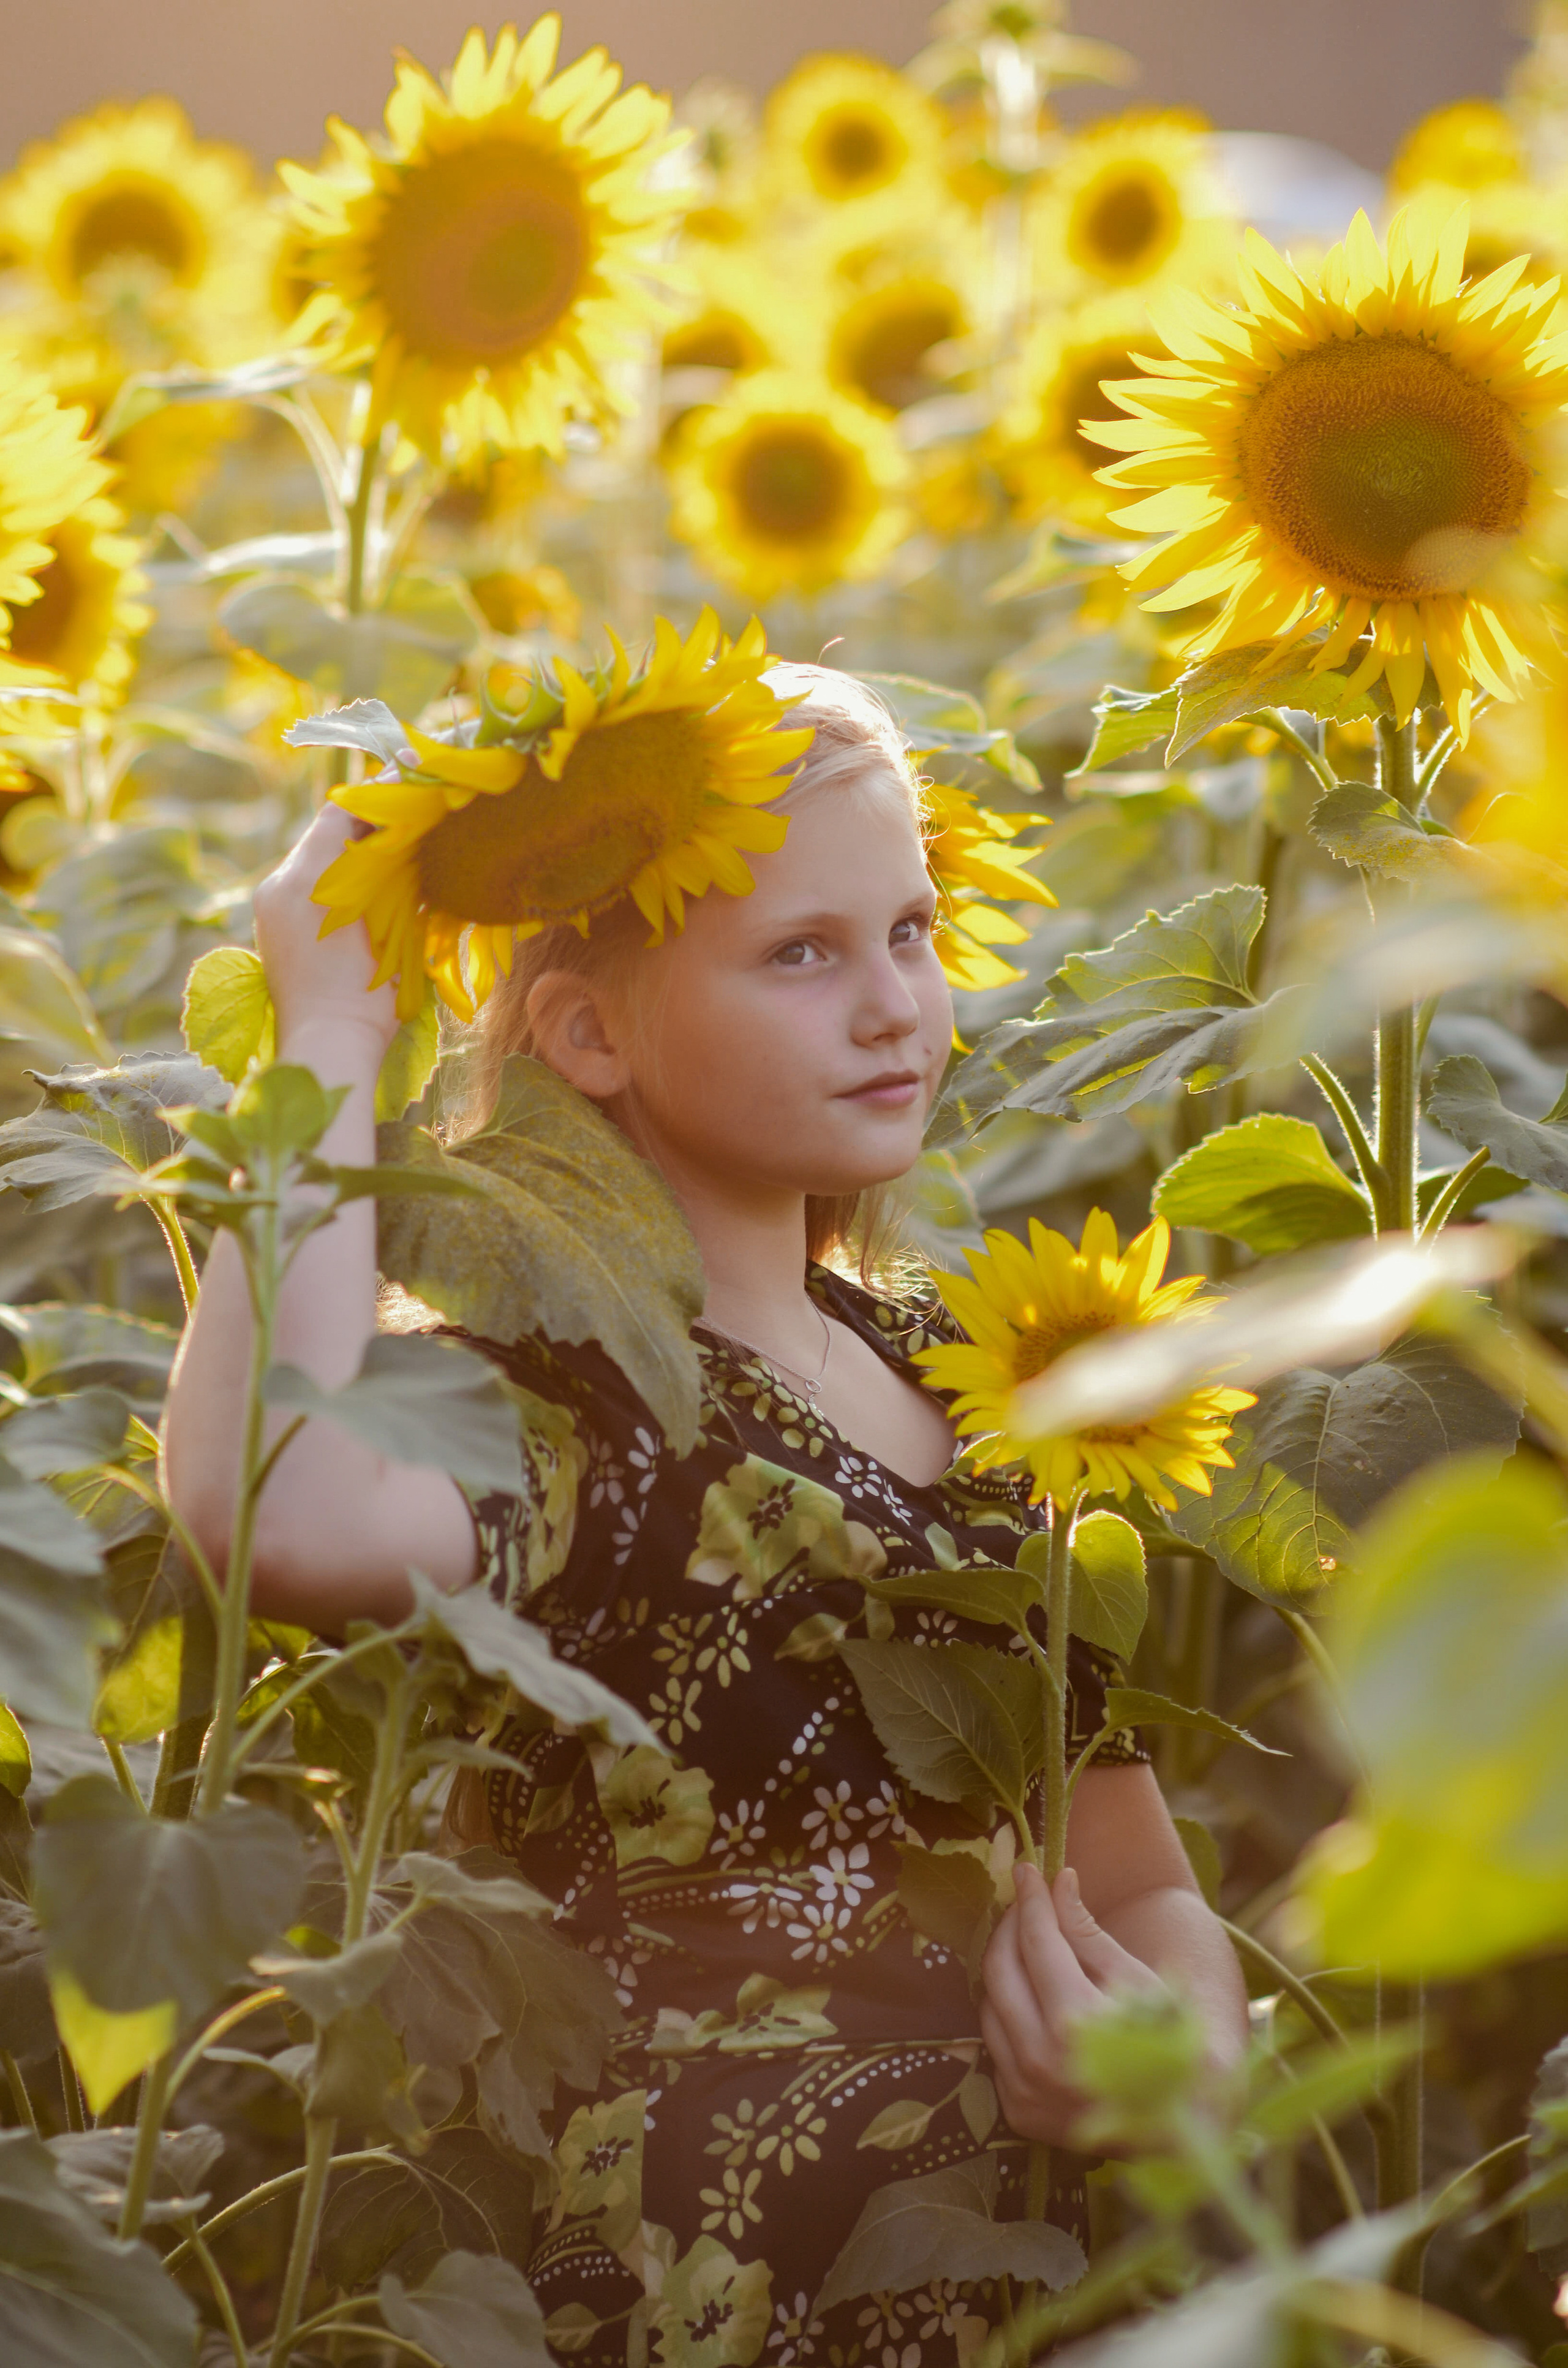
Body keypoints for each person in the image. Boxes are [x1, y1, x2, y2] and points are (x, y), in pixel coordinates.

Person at [164, 660, 1248, 2368]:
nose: (894, 1006)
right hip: (693, 2299)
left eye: (909, 931)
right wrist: (332, 1035)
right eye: (803, 953)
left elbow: (1138, 1881)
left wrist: (1187, 2042)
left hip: (1036, 2296)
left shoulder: (982, 1388)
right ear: (588, 1031)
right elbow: (277, 1508)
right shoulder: (579, 1401)